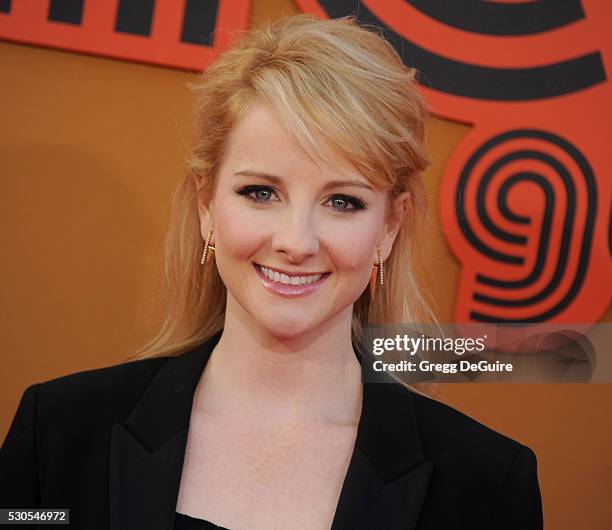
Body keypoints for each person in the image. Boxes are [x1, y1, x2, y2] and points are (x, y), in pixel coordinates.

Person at [0, 14, 542, 530]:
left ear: (389, 228)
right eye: (261, 193)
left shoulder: (484, 485)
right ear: (206, 204)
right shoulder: (59, 433)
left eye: (343, 202)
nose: (295, 243)